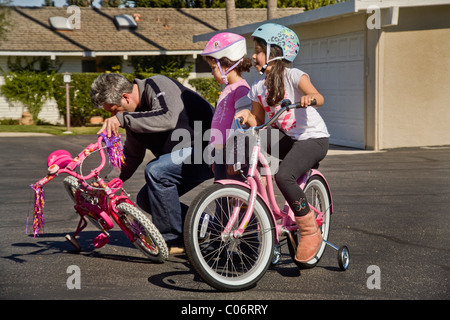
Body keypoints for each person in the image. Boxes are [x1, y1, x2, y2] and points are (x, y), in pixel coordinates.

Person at [235, 23, 330, 264]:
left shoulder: (293, 76)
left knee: (284, 175)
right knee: (246, 144)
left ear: (274, 52)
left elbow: (318, 97)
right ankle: (256, 196)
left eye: (258, 51)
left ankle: (309, 231)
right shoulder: (258, 87)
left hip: (313, 138)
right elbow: (257, 119)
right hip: (289, 138)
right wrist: (248, 117)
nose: (253, 56)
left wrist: (310, 98)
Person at [90, 73, 214, 253]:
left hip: (210, 146)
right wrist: (106, 184)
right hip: (188, 157)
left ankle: (175, 241)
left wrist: (122, 118)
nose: (113, 116)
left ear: (125, 97)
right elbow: (132, 156)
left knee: (156, 171)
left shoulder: (156, 84)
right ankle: (207, 227)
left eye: (114, 110)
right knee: (147, 199)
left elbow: (168, 117)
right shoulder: (133, 118)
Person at [201, 32, 252, 180]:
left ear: (226, 65)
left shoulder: (241, 89)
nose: (211, 73)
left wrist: (234, 157)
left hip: (232, 154)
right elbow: (219, 123)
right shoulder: (227, 88)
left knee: (236, 197)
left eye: (213, 68)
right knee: (221, 198)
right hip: (220, 153)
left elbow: (240, 127)